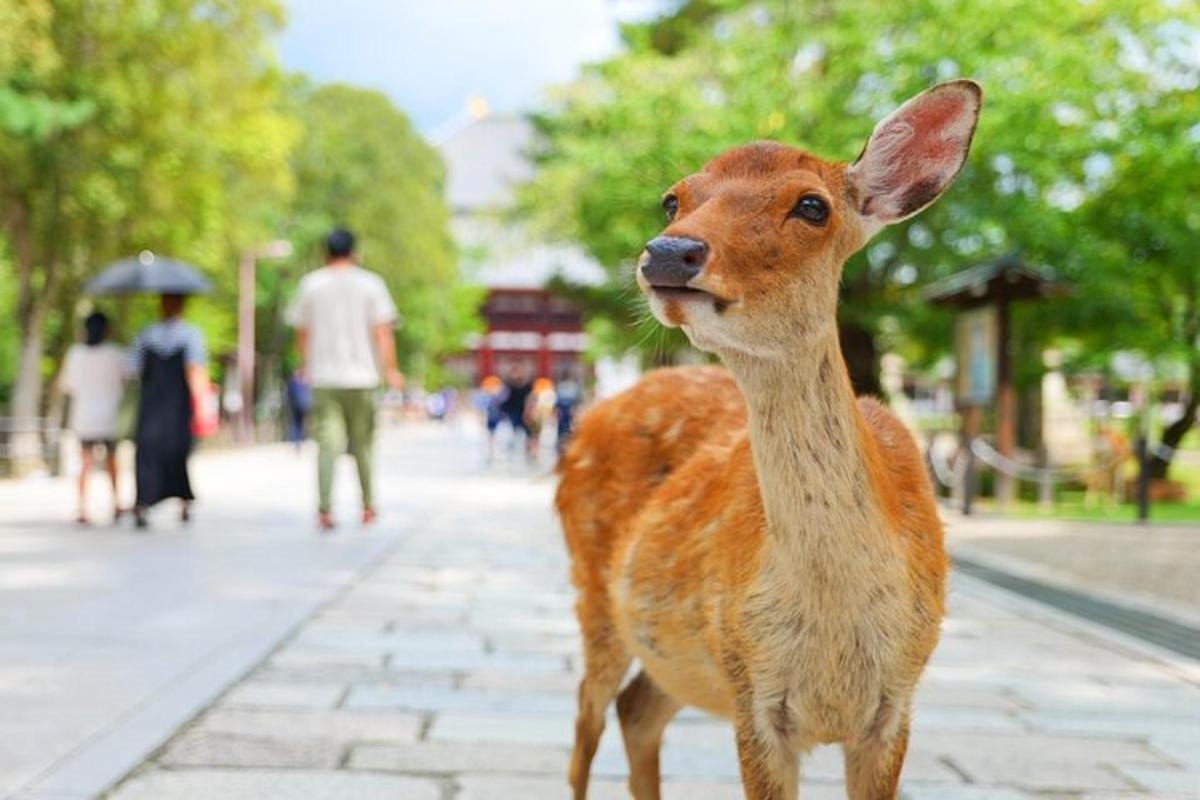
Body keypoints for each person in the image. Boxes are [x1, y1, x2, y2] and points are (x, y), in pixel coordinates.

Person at [286, 228, 402, 532]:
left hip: (324, 377)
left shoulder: (311, 284)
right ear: (354, 252)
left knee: (327, 445)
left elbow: (301, 332)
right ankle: (368, 506)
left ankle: (324, 509)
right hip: (362, 377)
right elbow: (383, 331)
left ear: (326, 252)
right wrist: (390, 369)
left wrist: (307, 362)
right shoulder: (371, 284)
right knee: (363, 444)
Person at [129, 294, 210, 529]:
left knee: (147, 451)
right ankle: (181, 499)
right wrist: (202, 404)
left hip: (152, 403)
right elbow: (195, 370)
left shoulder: (146, 335)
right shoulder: (191, 334)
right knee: (177, 451)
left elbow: (133, 370)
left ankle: (144, 501)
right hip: (177, 405)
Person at [59, 312, 127, 524]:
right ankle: (116, 503)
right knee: (112, 460)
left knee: (85, 461)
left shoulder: (75, 354)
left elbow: (66, 385)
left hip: (85, 415)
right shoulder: (116, 353)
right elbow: (128, 377)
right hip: (109, 415)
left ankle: (82, 508)